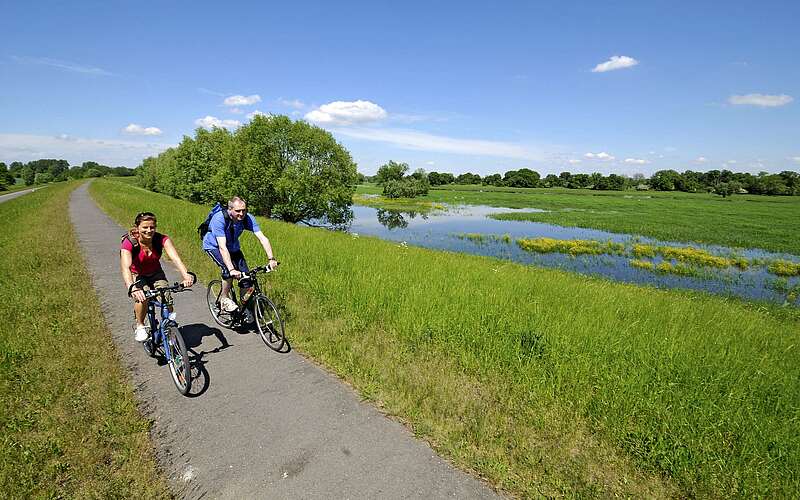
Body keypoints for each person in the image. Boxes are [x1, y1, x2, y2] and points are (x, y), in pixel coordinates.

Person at [120, 212, 194, 342]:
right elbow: (126, 267)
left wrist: (186, 275)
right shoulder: (129, 242)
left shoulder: (161, 239)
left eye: (152, 227)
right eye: (145, 227)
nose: (149, 230)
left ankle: (169, 325)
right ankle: (140, 325)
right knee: (143, 297)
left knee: (166, 296)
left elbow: (176, 259)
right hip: (137, 274)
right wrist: (133, 288)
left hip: (155, 272)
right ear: (137, 227)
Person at [202, 196, 278, 320]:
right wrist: (232, 269)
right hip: (214, 246)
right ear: (230, 209)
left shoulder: (247, 218)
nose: (241, 213)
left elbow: (262, 238)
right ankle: (224, 298)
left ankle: (244, 308)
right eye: (238, 211)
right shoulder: (219, 219)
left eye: (244, 210)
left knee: (246, 278)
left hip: (233, 248)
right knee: (227, 272)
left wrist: (271, 259)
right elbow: (222, 247)